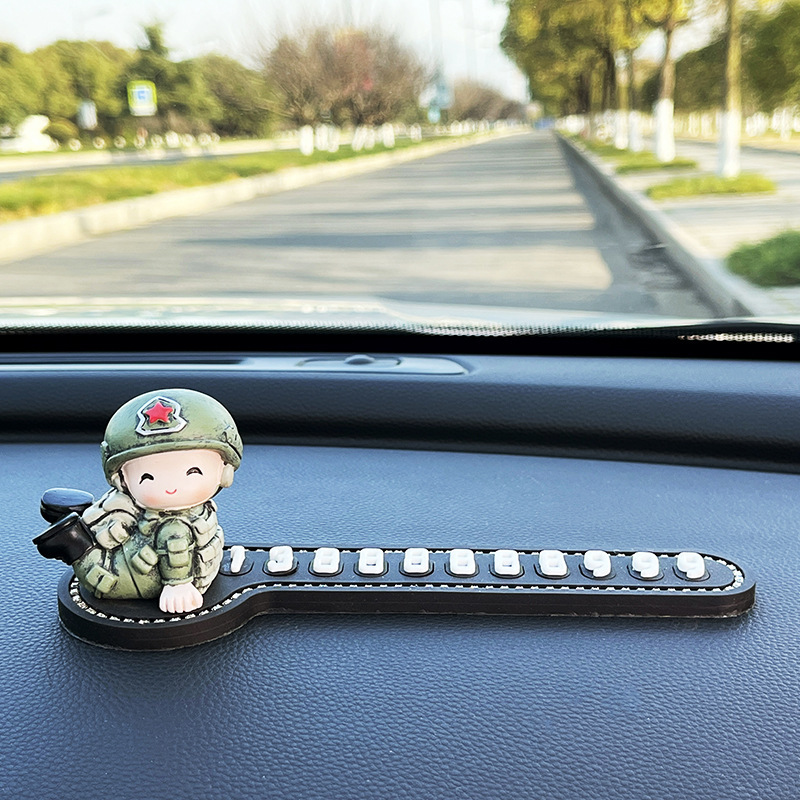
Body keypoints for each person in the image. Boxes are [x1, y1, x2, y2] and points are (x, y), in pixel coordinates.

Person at [37, 389, 242, 614]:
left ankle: (75, 534)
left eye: (192, 471)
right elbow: (175, 552)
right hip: (122, 578)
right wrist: (178, 586)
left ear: (224, 471)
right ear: (123, 480)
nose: (170, 487)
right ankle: (72, 538)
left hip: (136, 568)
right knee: (98, 571)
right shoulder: (173, 527)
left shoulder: (195, 514)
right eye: (147, 477)